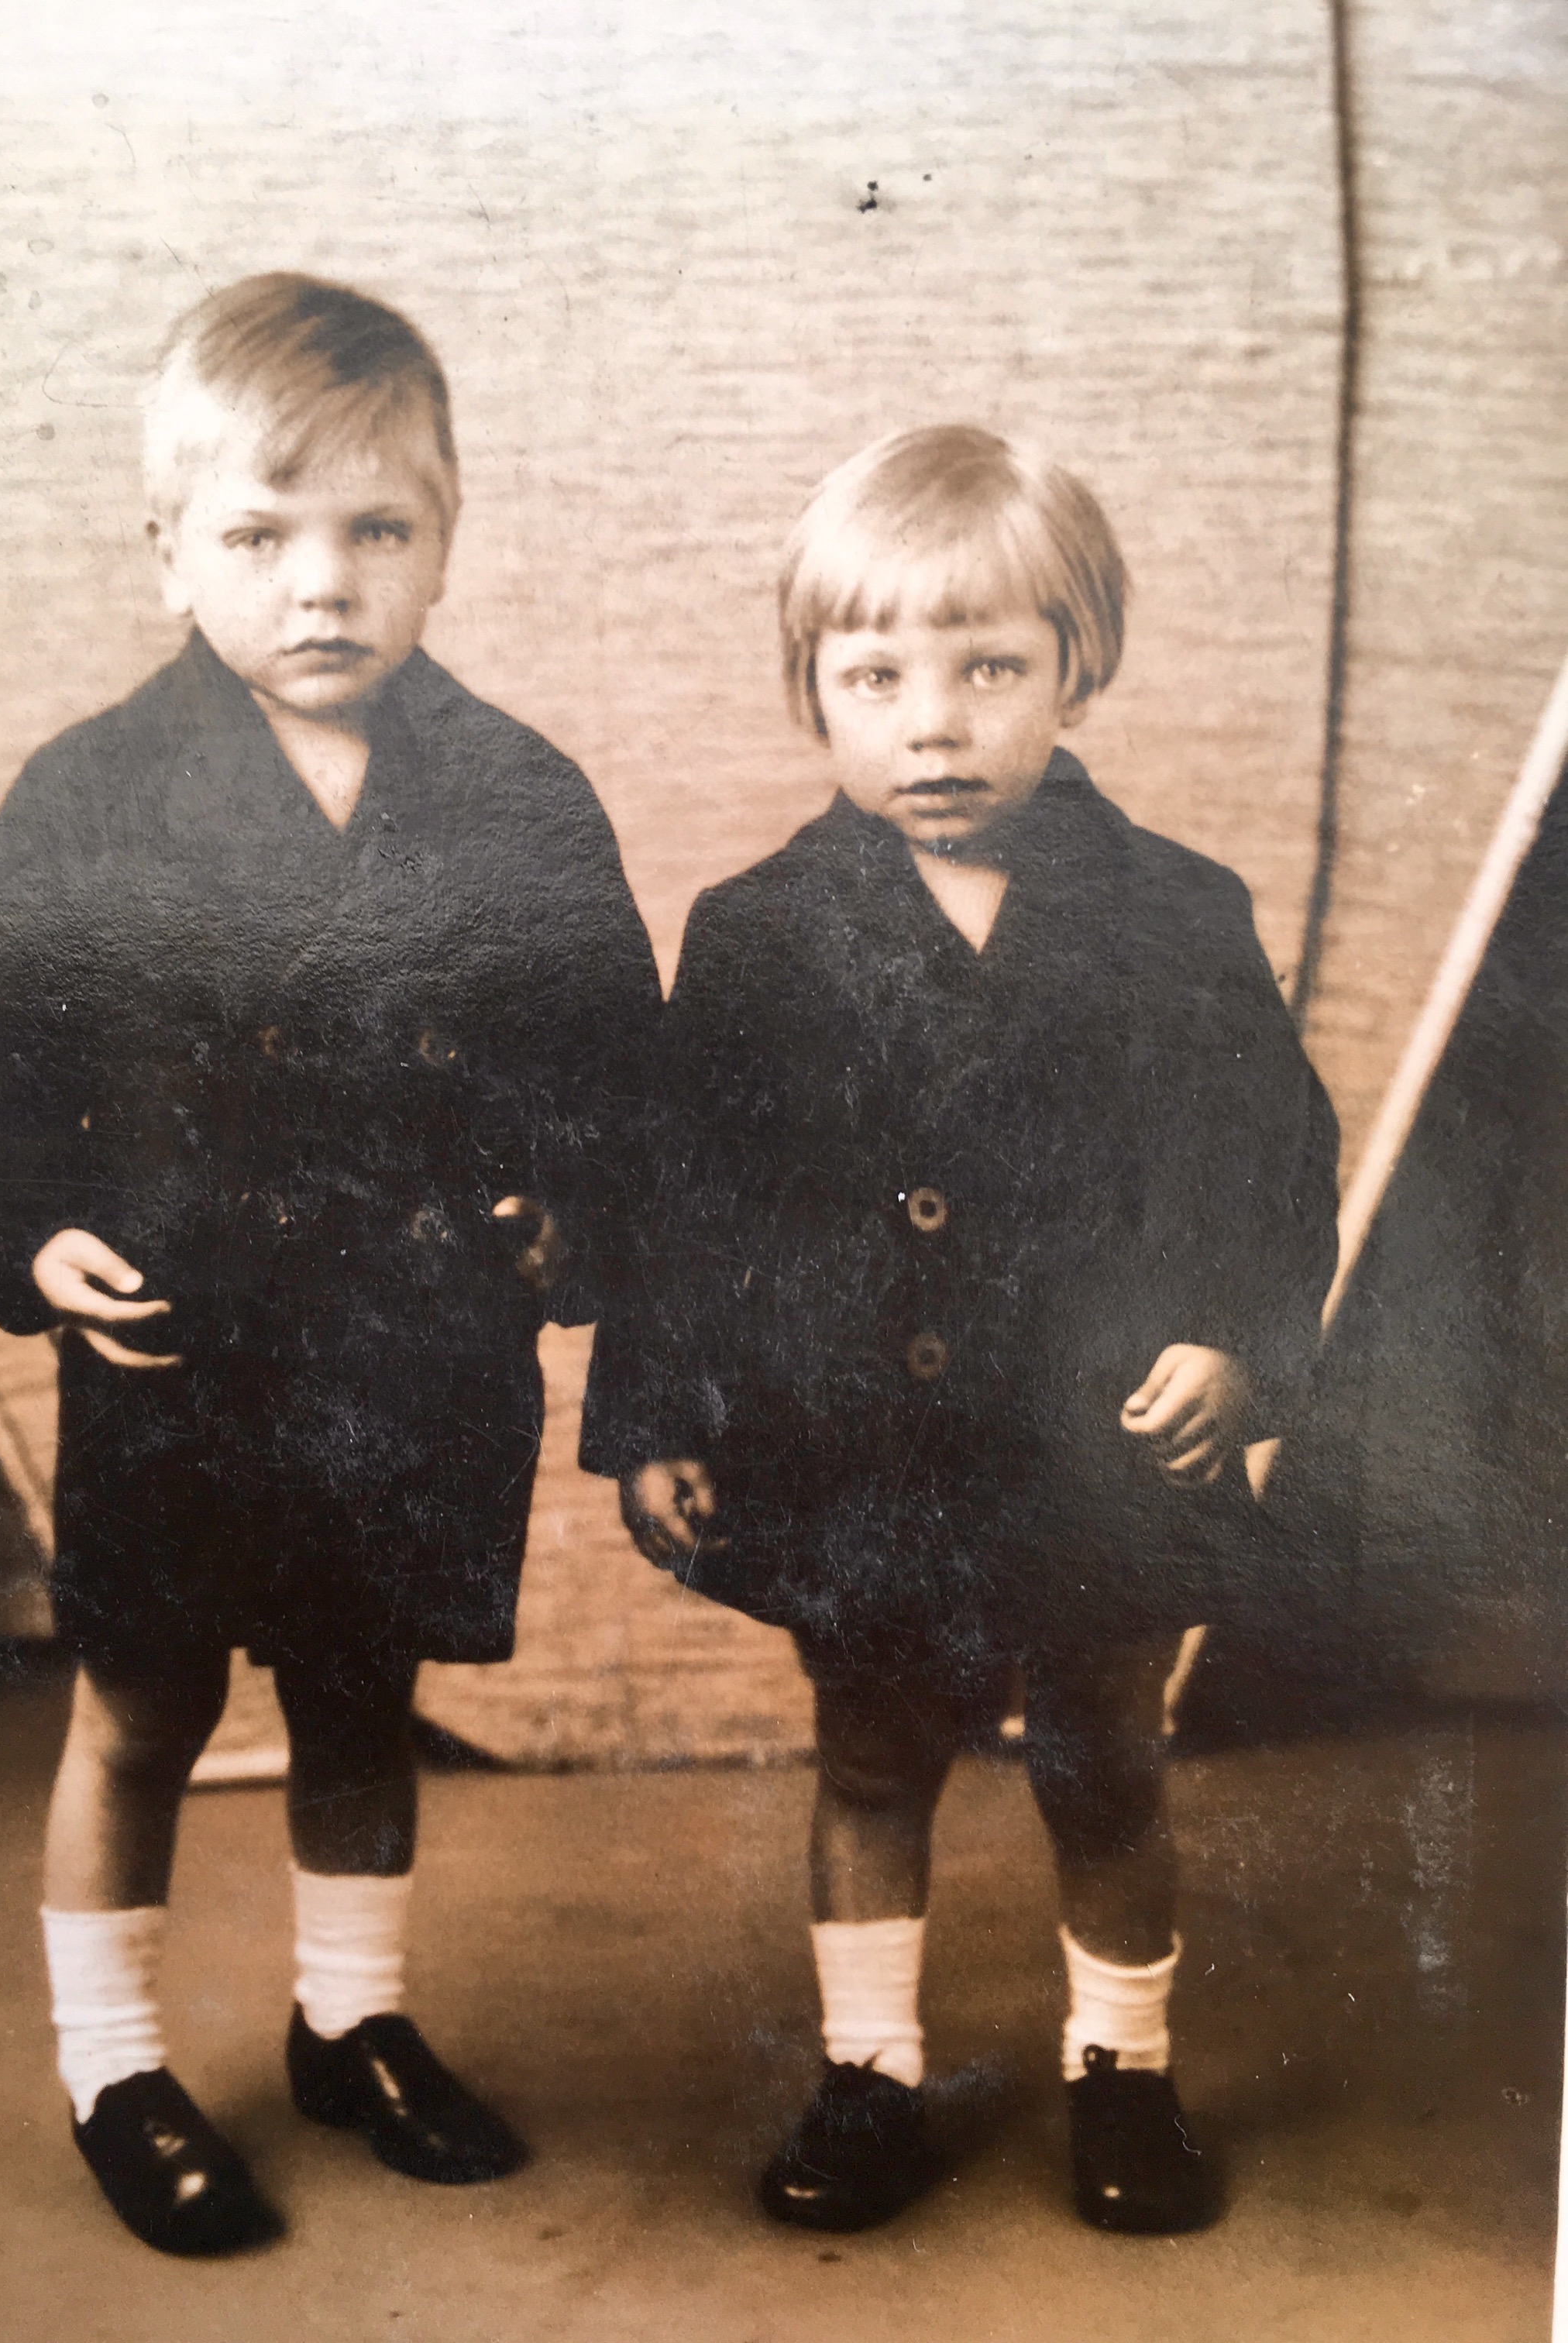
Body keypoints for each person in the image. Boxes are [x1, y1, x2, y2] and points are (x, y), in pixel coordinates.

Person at [0, 273, 659, 2255]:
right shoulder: (91, 797)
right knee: (143, 1707)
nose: (322, 583)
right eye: (259, 537)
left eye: (375, 531)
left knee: (359, 1694)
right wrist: (38, 1229)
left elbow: (607, 1054)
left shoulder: (515, 795)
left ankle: (351, 2019)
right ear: (168, 550)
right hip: (187, 1351)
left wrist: (565, 1208)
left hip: (410, 1352)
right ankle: (113, 2063)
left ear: (446, 540)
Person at [582, 425, 1339, 2236]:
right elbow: (689, 1200)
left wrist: (1236, 1347)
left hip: (1094, 1449)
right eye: (877, 677)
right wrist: (662, 1414)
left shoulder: (1176, 916)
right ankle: (868, 2075)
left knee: (1105, 1759)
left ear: (1080, 666)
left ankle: (1122, 2071)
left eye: (989, 668)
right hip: (864, 1453)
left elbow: (1270, 1165)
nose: (933, 725)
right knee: (870, 1755)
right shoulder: (759, 933)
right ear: (813, 691)